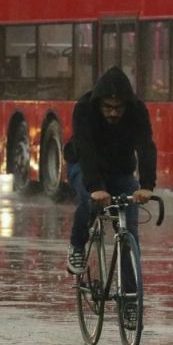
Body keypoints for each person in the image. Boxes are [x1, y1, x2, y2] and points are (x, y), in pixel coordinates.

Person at [64, 67, 156, 324]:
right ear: (98, 103)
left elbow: (146, 146)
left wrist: (147, 185)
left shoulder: (138, 110)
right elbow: (85, 147)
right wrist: (95, 187)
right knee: (89, 199)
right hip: (84, 165)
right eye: (107, 107)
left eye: (118, 108)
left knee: (130, 234)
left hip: (120, 170)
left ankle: (129, 301)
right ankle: (77, 245)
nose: (113, 112)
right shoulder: (84, 108)